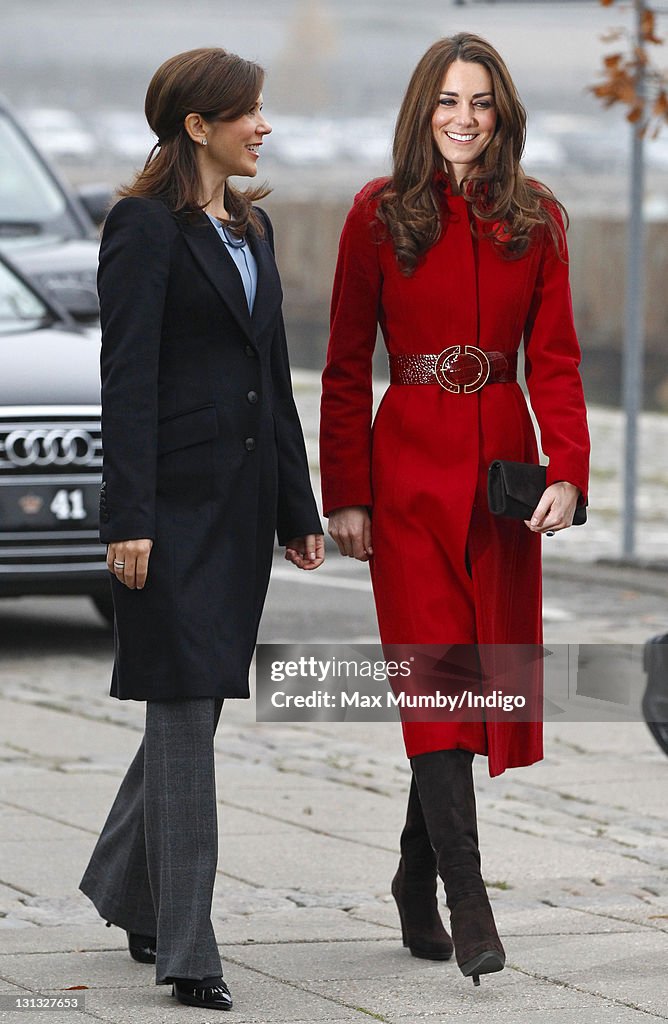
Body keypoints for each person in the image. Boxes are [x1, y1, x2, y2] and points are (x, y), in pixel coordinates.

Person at [320, 33, 589, 986]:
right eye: (446, 101)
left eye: (479, 101)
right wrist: (343, 493)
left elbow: (555, 358)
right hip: (406, 480)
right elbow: (346, 365)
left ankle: (409, 873)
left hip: (503, 482)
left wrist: (568, 471)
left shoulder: (538, 217)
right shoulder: (376, 214)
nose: (463, 118)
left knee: (474, 683)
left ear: (503, 112)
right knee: (432, 672)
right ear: (421, 111)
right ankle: (468, 900)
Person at [79, 47, 324, 1013]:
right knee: (184, 724)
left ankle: (118, 884)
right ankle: (189, 948)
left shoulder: (250, 226)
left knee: (195, 707)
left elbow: (275, 374)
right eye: (248, 112)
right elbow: (125, 380)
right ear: (197, 126)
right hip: (171, 515)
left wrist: (296, 508)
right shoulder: (142, 229)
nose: (262, 126)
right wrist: (127, 517)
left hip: (238, 513)